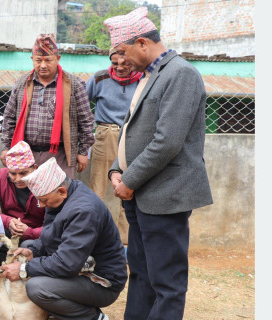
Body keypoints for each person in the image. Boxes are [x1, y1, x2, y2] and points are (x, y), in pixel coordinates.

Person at [103, 7, 213, 320]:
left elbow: (167, 141)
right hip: (142, 195)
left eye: (123, 53)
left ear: (141, 43)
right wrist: (116, 169)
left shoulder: (181, 74)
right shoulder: (154, 75)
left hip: (164, 197)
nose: (121, 62)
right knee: (141, 274)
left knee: (166, 283)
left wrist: (128, 180)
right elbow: (132, 130)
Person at [0, 157, 127, 320]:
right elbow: (50, 236)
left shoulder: (83, 211)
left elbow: (67, 264)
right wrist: (33, 252)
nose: (43, 205)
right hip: (81, 267)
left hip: (101, 281)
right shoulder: (65, 197)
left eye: (44, 200)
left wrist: (25, 268)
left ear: (62, 191)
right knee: (29, 245)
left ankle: (92, 317)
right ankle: (62, 310)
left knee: (36, 288)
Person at [0, 33, 94, 179]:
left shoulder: (74, 84)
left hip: (60, 154)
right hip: (26, 153)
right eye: (38, 60)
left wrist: (83, 152)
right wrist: (6, 147)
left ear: (58, 59)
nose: (43, 65)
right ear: (32, 60)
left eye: (48, 60)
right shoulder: (22, 83)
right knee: (27, 197)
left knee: (59, 195)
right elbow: (9, 118)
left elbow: (86, 121)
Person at [85, 48, 143, 251]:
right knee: (98, 189)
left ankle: (126, 243)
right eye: (114, 63)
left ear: (133, 61)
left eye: (124, 63)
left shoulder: (144, 79)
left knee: (129, 187)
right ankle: (94, 241)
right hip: (106, 133)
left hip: (133, 136)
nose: (119, 68)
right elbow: (82, 105)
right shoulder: (99, 78)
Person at [0, 140, 46, 263]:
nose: (18, 179)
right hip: (9, 231)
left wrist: (30, 232)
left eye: (24, 173)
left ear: (34, 168)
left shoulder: (46, 182)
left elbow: (56, 225)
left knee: (29, 245)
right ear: (7, 169)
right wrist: (8, 221)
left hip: (39, 235)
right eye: (12, 174)